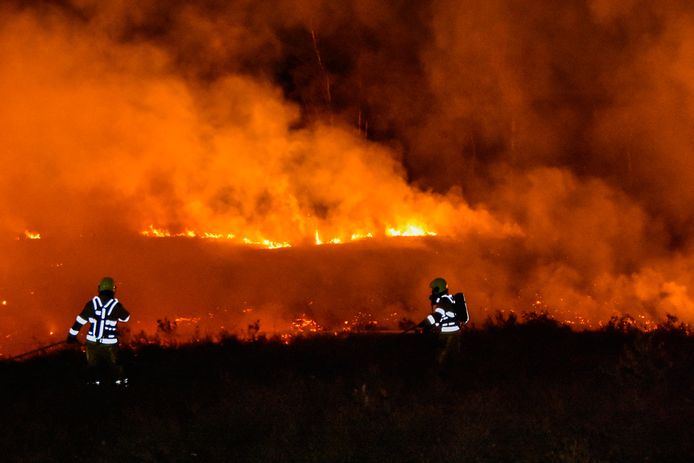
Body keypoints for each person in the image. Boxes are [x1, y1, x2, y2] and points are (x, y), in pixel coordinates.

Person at [67, 276, 131, 386]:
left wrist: (71, 336)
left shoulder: (92, 304)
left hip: (92, 343)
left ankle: (93, 386)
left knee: (92, 366)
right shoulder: (115, 305)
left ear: (99, 288)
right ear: (113, 289)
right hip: (110, 344)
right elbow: (126, 317)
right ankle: (121, 386)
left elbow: (80, 321)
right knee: (115, 365)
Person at [418, 277, 469, 368]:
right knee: (454, 357)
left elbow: (437, 316)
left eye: (433, 289)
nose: (432, 292)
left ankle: (440, 377)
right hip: (456, 333)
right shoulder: (450, 299)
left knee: (440, 357)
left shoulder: (443, 301)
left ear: (438, 289)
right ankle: (456, 376)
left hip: (447, 333)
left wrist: (424, 324)